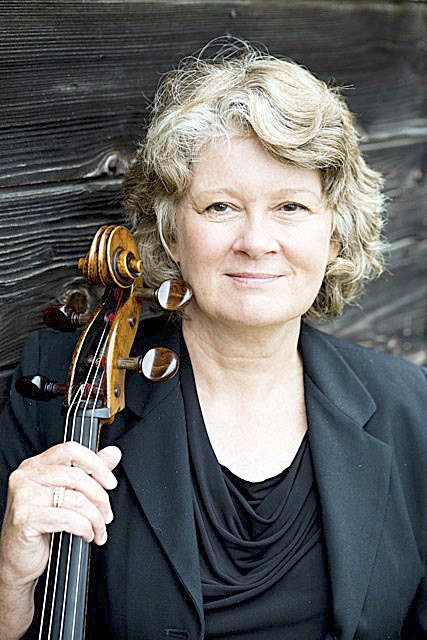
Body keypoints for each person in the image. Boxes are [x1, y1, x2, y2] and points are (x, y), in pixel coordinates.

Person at [0, 41, 426, 640]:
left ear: (335, 237)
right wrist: (9, 576)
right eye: (221, 206)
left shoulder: (410, 406)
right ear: (172, 234)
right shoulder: (64, 387)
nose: (256, 241)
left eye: (291, 206)